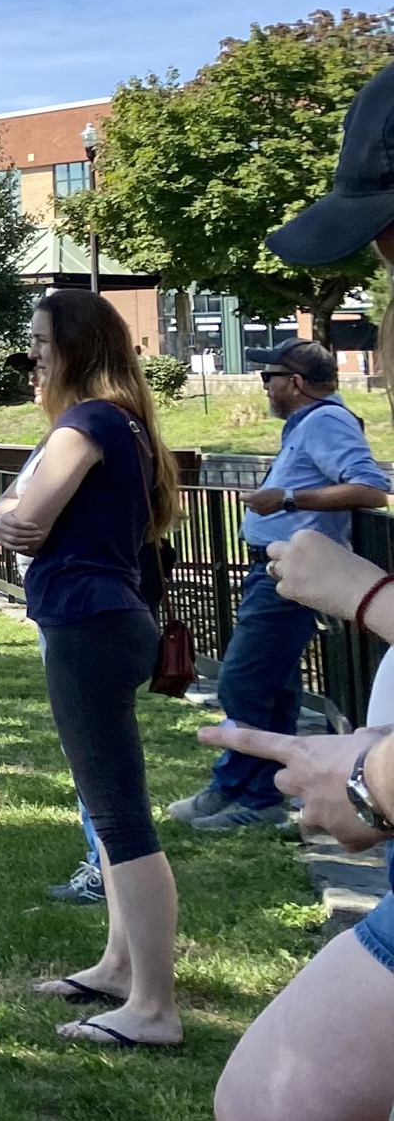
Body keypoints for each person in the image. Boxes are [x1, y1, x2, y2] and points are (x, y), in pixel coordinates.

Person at [188, 61, 394, 1121]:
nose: (380, 266)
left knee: (279, 1118)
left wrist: (366, 782)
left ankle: (231, 798)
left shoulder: (333, 420)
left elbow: (364, 491)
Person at [0, 287, 184, 1051]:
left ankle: (154, 1007)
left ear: (77, 347)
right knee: (109, 809)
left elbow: (25, 520)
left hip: (88, 627)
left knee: (121, 816)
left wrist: (8, 516)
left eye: (41, 344)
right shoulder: (123, 425)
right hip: (108, 623)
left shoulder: (88, 421)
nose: (32, 358)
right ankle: (116, 965)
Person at [167, 337, 389, 831]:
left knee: (243, 680)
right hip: (279, 569)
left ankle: (240, 791)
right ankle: (263, 794)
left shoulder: (326, 420)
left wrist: (286, 498)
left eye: (269, 377)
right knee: (277, 689)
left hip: (291, 573)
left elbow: (372, 488)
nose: (263, 385)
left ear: (294, 382)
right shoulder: (310, 423)